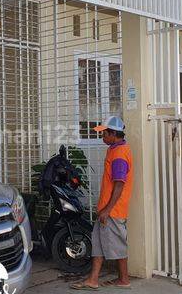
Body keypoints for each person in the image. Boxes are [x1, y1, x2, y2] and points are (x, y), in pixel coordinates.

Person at [71, 116, 133, 290]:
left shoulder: (119, 154)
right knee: (97, 243)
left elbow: (119, 184)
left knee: (119, 245)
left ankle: (124, 280)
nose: (102, 137)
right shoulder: (114, 149)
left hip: (112, 211)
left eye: (104, 133)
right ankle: (93, 279)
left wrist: (107, 209)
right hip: (106, 209)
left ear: (113, 133)